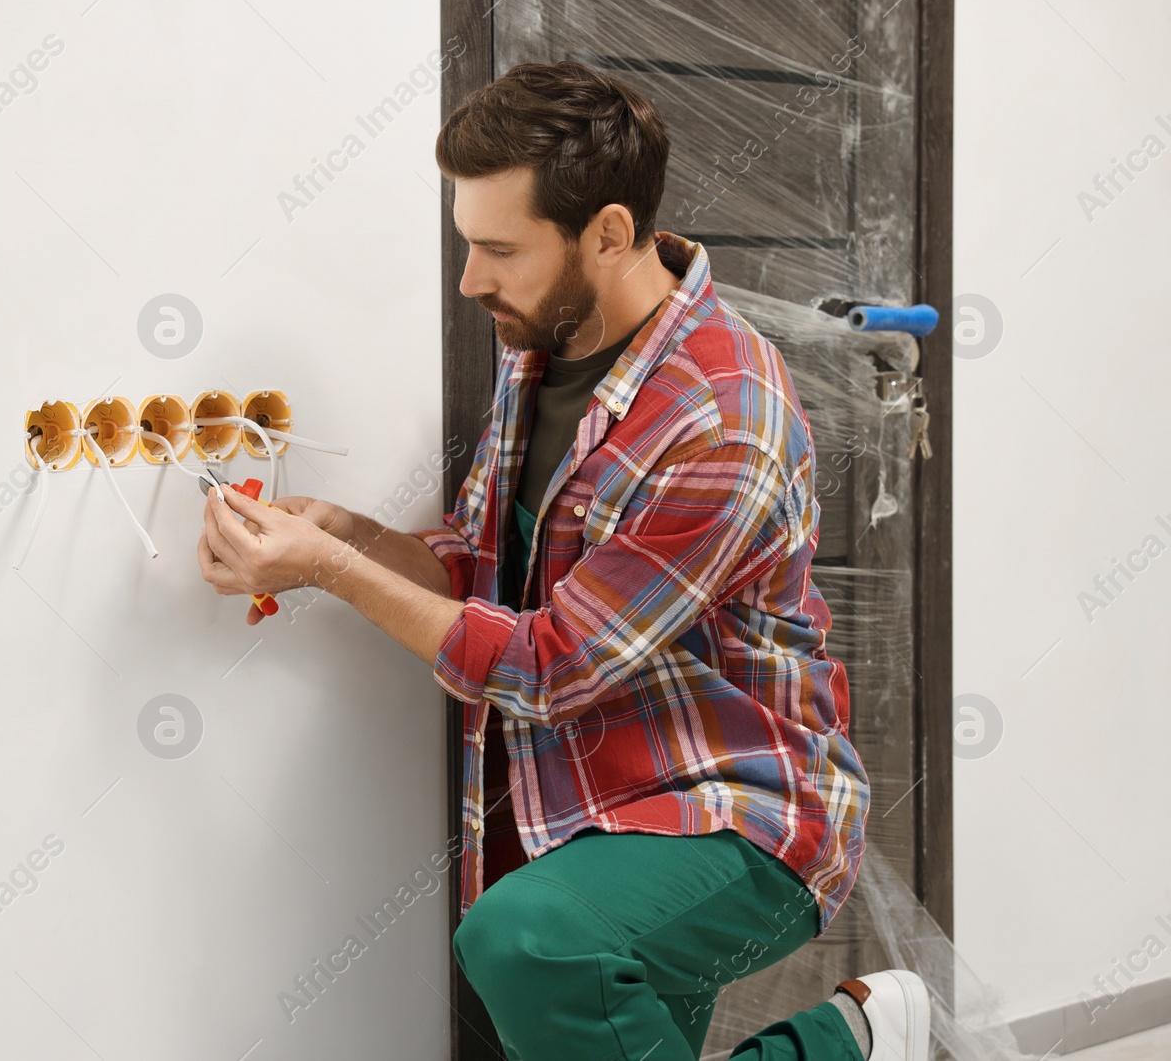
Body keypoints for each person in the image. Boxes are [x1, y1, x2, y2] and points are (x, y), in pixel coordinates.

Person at [197, 60, 929, 1061]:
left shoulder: (722, 418)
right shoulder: (542, 345)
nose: (470, 281)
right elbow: (483, 571)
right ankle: (856, 1038)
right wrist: (346, 535)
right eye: (466, 243)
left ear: (610, 233)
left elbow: (549, 664)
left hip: (746, 819)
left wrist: (331, 568)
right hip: (591, 802)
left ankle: (845, 1043)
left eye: (500, 249)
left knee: (526, 940)